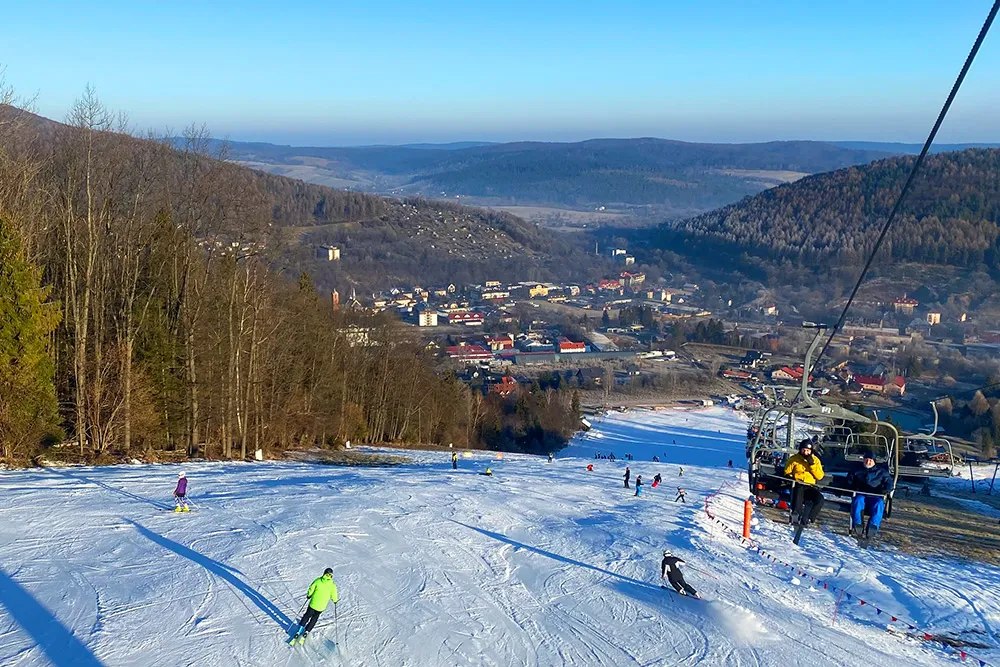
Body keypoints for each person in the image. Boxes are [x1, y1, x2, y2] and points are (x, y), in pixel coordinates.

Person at [847, 450, 890, 539]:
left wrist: (885, 490)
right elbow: (849, 481)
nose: (868, 462)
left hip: (875, 495)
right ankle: (858, 524)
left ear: (874, 461)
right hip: (861, 494)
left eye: (870, 460)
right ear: (863, 460)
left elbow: (889, 483)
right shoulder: (857, 470)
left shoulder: (881, 472)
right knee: (858, 500)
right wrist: (853, 486)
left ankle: (872, 527)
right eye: (866, 459)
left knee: (879, 503)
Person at [291, 568, 339, 644]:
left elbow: (311, 588)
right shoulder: (332, 585)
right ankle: (307, 631)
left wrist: (309, 595)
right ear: (331, 576)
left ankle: (300, 629)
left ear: (324, 573)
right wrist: (335, 600)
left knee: (306, 616)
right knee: (314, 618)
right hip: (321, 607)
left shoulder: (318, 581)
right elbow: (334, 595)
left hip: (313, 604)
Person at [784, 439, 825, 524]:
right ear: (800, 449)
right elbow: (787, 472)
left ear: (811, 451)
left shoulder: (815, 460)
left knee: (819, 499)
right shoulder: (794, 459)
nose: (806, 453)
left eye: (808, 451)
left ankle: (810, 517)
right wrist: (792, 478)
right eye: (804, 450)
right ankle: (796, 514)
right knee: (798, 491)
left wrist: (812, 465)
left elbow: (820, 476)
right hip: (797, 484)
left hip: (810, 486)